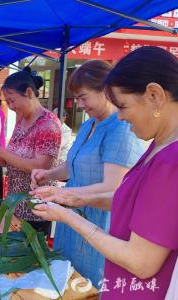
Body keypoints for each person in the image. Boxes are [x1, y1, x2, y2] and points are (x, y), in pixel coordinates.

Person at [31, 46, 178, 299]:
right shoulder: (159, 144)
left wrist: (69, 217)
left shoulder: (170, 160)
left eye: (122, 106)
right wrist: (74, 198)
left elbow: (141, 262)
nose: (119, 117)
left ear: (155, 95)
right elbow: (135, 202)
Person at [31, 60, 143, 286]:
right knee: (66, 277)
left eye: (84, 97)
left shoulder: (120, 129)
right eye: (77, 98)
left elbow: (112, 187)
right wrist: (49, 173)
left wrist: (62, 193)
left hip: (98, 221)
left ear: (105, 90)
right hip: (72, 214)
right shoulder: (88, 125)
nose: (79, 104)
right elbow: (74, 164)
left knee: (87, 284)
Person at [0, 67, 62, 234]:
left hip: (36, 209)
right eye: (7, 102)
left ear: (29, 92)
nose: (11, 106)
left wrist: (0, 152)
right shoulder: (21, 120)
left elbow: (41, 167)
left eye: (12, 100)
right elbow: (11, 159)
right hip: (16, 204)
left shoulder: (48, 124)